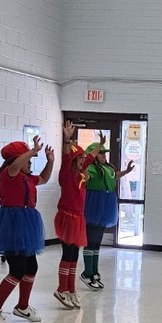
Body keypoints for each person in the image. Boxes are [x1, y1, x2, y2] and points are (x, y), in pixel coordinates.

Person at [0, 138, 54, 323]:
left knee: (31, 268)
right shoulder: (8, 173)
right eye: (27, 161)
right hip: (12, 226)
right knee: (17, 270)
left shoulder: (27, 178)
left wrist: (50, 161)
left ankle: (22, 306)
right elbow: (16, 165)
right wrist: (32, 150)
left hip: (26, 224)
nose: (29, 164)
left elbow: (44, 178)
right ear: (17, 161)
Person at [54, 120, 101, 310]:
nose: (83, 161)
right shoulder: (67, 173)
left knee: (74, 255)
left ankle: (71, 289)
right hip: (67, 216)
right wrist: (67, 140)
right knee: (67, 254)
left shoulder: (82, 173)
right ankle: (61, 289)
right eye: (79, 159)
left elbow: (90, 157)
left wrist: (100, 144)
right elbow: (67, 158)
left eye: (83, 159)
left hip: (78, 217)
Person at [82, 142, 135, 290]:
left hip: (105, 204)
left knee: (97, 240)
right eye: (100, 153)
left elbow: (114, 176)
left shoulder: (107, 167)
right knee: (91, 239)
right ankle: (87, 271)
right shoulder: (91, 168)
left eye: (104, 153)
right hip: (94, 204)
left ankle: (94, 271)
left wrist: (126, 171)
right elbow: (85, 178)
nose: (104, 156)